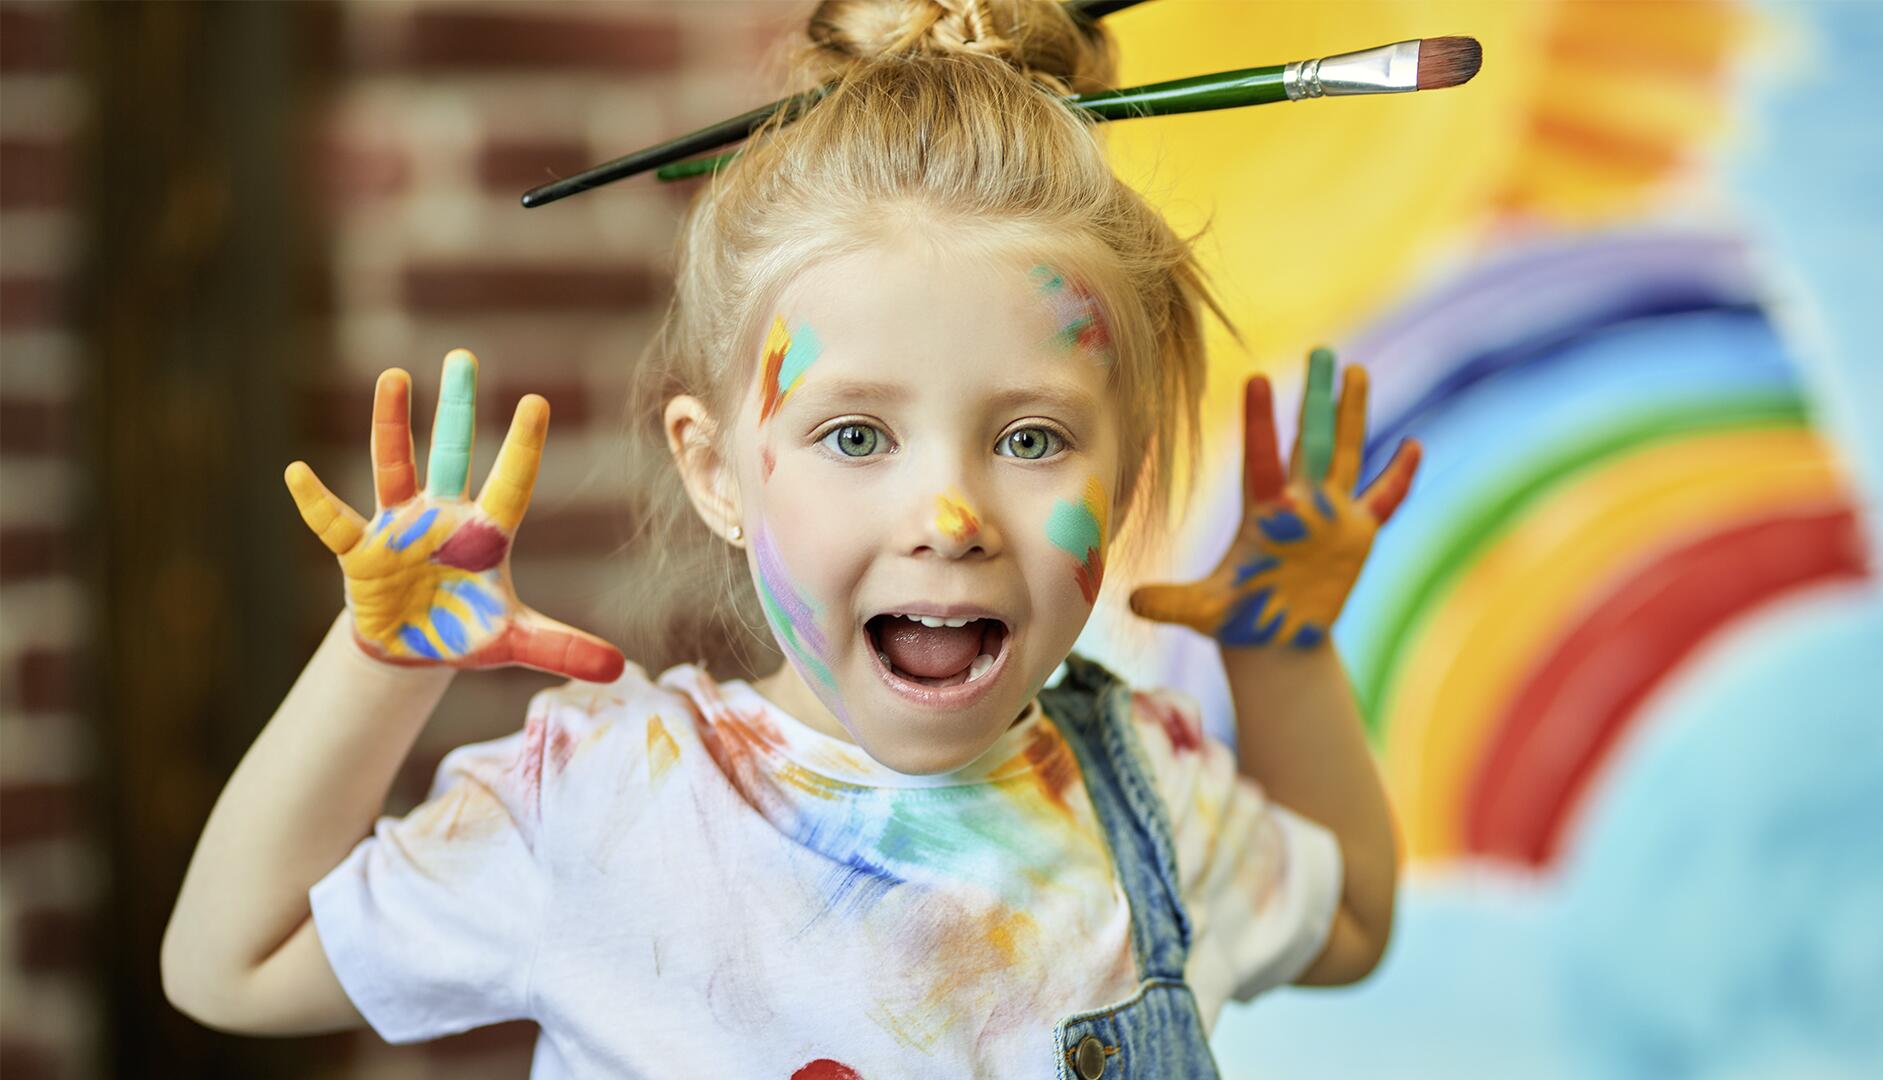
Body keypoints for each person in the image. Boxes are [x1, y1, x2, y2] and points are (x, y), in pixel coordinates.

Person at [160, 1, 1419, 1075]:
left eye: (1031, 440)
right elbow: (229, 967)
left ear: (1129, 467)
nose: (950, 518)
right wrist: (382, 663)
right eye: (858, 437)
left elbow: (1355, 923)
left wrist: (1283, 650)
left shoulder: (1149, 798)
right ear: (716, 472)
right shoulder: (606, 809)